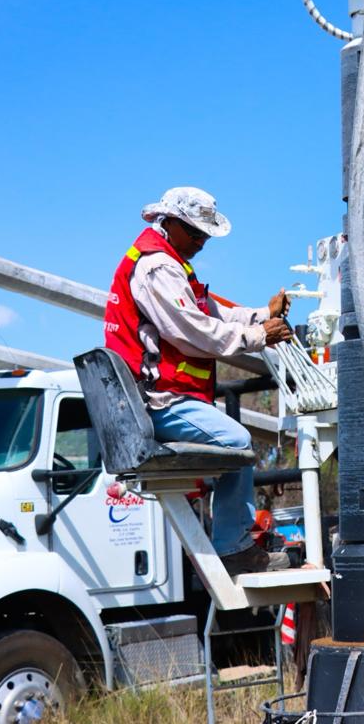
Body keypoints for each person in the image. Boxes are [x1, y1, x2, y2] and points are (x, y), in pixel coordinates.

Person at [103, 186, 294, 575]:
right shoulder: (158, 267)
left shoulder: (169, 262)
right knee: (237, 442)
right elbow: (194, 330)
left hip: (160, 398)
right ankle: (234, 548)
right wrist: (260, 337)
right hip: (157, 401)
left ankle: (231, 540)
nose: (201, 242)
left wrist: (261, 315)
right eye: (195, 233)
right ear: (169, 222)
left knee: (232, 445)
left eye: (205, 235)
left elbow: (211, 312)